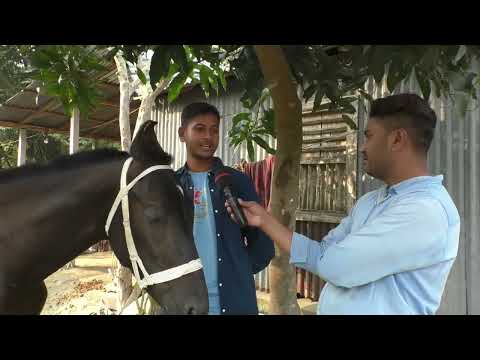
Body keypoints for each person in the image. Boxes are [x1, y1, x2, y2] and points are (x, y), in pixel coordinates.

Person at [226, 93, 460, 315]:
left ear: (397, 139)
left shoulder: (424, 211)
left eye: (369, 136)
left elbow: (336, 266)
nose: (362, 147)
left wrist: (330, 258)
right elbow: (324, 252)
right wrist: (264, 220)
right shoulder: (372, 201)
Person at [175, 102, 275, 315]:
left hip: (234, 304)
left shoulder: (236, 182)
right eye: (199, 129)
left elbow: (263, 244)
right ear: (182, 134)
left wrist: (239, 269)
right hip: (184, 305)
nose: (208, 137)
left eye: (214, 130)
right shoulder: (172, 186)